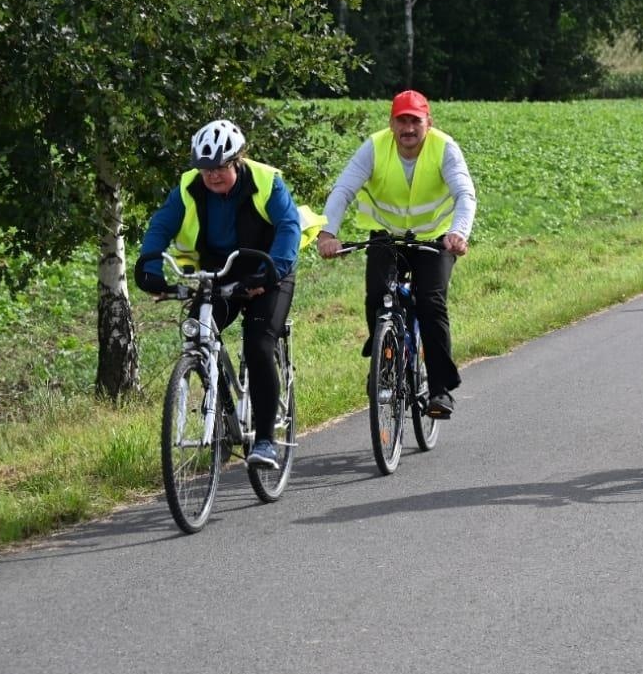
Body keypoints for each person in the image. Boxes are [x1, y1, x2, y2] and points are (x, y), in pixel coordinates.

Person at [134, 120, 303, 469]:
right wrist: (150, 265)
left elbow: (289, 227)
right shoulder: (188, 187)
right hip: (220, 273)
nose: (212, 176)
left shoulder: (266, 181)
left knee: (258, 346)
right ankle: (223, 421)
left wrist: (274, 271)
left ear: (238, 160)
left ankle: (267, 441)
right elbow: (162, 224)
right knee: (198, 332)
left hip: (267, 271)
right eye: (205, 169)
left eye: (220, 168)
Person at [316, 90, 477, 420]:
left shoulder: (444, 148)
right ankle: (383, 357)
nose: (408, 128)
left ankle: (439, 390)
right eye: (401, 121)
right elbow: (343, 189)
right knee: (377, 295)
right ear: (391, 123)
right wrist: (328, 232)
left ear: (427, 123)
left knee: (431, 303)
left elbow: (464, 193)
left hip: (435, 239)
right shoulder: (374, 148)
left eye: (415, 121)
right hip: (387, 236)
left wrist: (458, 233)